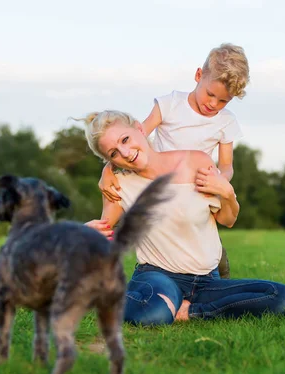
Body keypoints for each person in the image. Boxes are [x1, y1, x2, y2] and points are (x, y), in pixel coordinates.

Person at [83, 110, 285, 326]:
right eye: (114, 153)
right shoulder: (118, 184)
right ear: (110, 161)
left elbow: (227, 220)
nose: (126, 153)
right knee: (152, 314)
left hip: (207, 281)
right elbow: (104, 232)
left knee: (281, 297)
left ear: (139, 128)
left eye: (125, 140)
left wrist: (228, 193)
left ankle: (190, 310)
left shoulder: (196, 161)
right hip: (158, 277)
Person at [97, 43, 250, 279]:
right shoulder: (170, 104)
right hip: (157, 178)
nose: (213, 105)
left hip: (195, 184)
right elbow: (138, 135)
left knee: (199, 231)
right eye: (210, 94)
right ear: (199, 75)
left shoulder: (226, 122)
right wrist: (108, 168)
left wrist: (218, 182)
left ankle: (216, 271)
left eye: (223, 101)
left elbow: (226, 165)